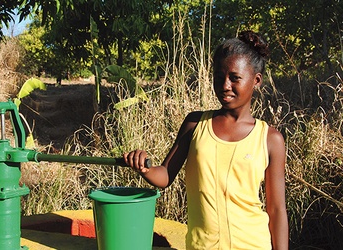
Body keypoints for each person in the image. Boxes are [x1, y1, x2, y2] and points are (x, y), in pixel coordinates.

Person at [123, 30, 289, 250]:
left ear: (256, 80)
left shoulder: (270, 139)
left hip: (253, 244)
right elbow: (165, 175)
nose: (225, 86)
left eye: (234, 78)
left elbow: (276, 209)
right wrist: (144, 168)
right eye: (219, 78)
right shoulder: (195, 124)